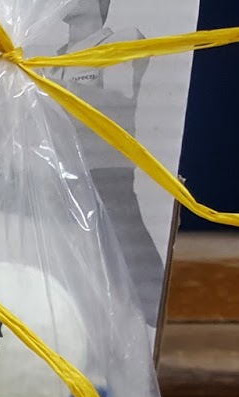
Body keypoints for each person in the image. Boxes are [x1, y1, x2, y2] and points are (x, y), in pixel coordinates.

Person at [54, 0, 166, 324]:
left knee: (131, 259)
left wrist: (54, 90)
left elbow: (119, 99)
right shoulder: (53, 58)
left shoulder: (121, 40)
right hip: (59, 175)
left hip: (105, 173)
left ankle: (158, 326)